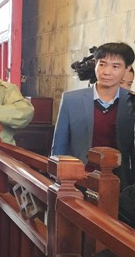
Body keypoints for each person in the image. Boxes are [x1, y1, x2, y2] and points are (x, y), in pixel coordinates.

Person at [51, 42, 135, 190]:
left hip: (119, 184)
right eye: (102, 64)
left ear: (127, 69)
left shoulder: (131, 101)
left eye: (115, 66)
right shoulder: (71, 99)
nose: (106, 72)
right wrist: (59, 180)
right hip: (77, 181)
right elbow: (59, 145)